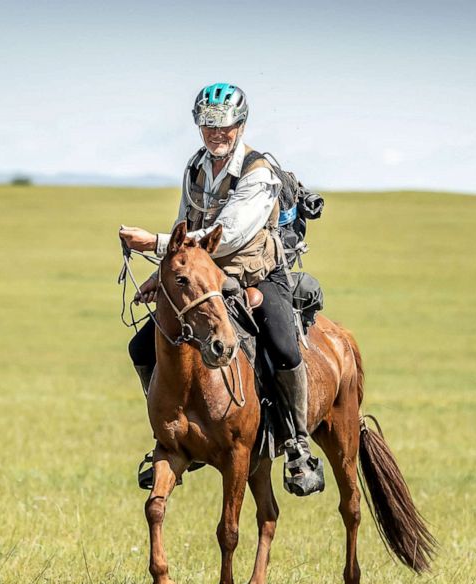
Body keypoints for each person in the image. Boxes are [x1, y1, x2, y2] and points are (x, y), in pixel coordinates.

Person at [119, 82, 324, 497]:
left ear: (241, 125)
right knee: (142, 346)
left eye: (224, 125)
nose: (216, 133)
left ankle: (296, 441)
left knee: (282, 343)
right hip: (203, 278)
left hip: (254, 273)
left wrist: (153, 242)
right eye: (208, 124)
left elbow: (226, 235)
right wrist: (163, 272)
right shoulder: (195, 167)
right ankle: (169, 433)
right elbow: (185, 228)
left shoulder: (259, 172)